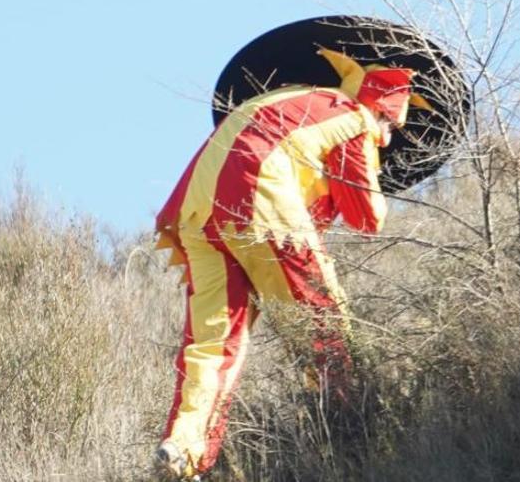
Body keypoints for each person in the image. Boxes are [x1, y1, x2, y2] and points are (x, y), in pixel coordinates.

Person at [153, 47, 432, 480]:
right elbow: (368, 218)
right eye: (391, 124)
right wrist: (372, 158)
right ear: (377, 106)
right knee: (327, 323)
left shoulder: (284, 101)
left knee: (213, 345)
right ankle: (351, 438)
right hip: (262, 206)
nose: (389, 137)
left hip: (199, 214)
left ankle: (184, 452)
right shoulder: (353, 116)